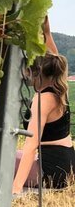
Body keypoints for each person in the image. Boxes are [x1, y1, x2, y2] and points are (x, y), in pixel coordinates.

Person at [12, 19, 74, 193]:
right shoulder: (60, 87)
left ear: (36, 72)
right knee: (2, 153)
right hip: (67, 163)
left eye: (27, 69)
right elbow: (52, 52)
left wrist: (16, 188)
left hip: (50, 170)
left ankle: (18, 181)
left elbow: (31, 145)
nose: (25, 74)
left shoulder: (42, 100)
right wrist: (46, 31)